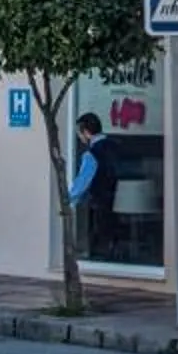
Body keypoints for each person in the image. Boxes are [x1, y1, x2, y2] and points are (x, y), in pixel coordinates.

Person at [68, 111, 124, 264]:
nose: (79, 137)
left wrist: (68, 200)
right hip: (119, 200)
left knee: (100, 235)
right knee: (114, 232)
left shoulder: (92, 154)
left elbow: (83, 182)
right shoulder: (116, 146)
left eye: (79, 133)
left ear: (86, 132)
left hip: (100, 201)